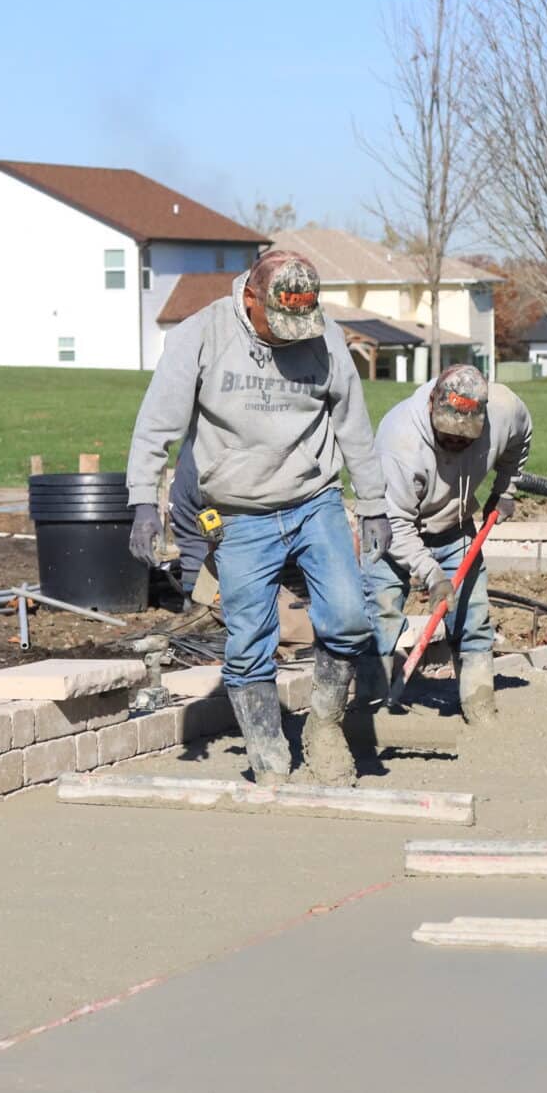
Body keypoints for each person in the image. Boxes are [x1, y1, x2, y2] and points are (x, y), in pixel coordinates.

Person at [125, 250, 387, 786]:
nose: (293, 336)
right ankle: (269, 760)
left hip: (314, 499)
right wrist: (143, 503)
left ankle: (324, 728)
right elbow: (156, 425)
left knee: (349, 618)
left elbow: (353, 424)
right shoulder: (201, 336)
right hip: (239, 512)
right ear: (250, 298)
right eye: (280, 323)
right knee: (248, 643)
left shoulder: (325, 336)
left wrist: (374, 503)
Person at [365, 364, 531, 724]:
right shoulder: (400, 440)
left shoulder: (504, 410)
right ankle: (371, 710)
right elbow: (396, 524)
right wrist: (432, 575)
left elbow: (521, 437)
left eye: (465, 436)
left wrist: (506, 488)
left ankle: (479, 705)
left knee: (473, 618)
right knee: (381, 615)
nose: (456, 442)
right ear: (431, 406)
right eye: (447, 433)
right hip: (391, 529)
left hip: (455, 528)